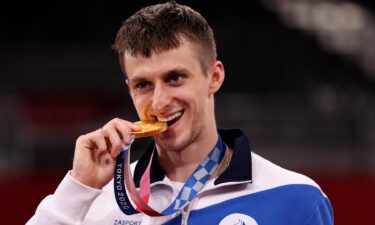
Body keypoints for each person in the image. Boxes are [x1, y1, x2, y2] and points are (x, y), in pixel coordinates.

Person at [26, 1, 334, 225]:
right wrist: (78, 188)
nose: (159, 102)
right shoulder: (100, 200)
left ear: (214, 77)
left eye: (175, 78)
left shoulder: (295, 199)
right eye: (144, 84)